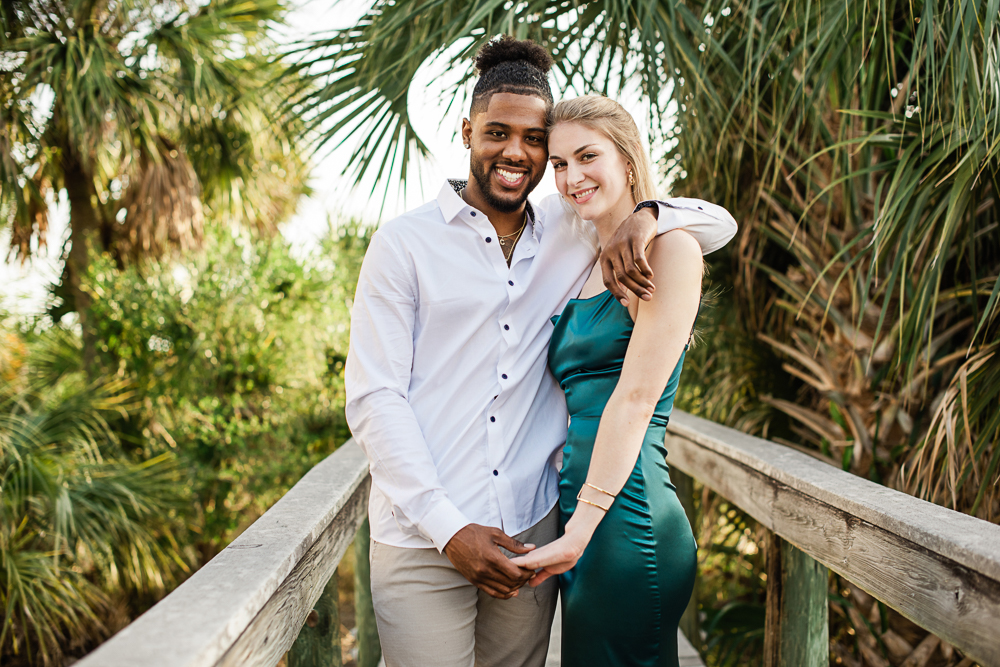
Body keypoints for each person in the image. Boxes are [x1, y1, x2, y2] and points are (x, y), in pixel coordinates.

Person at [345, 37, 736, 667]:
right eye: (498, 132)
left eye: (536, 142)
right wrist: (448, 527)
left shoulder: (570, 225)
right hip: (423, 535)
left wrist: (649, 214)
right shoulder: (403, 244)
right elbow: (374, 399)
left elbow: (711, 222)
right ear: (468, 131)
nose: (517, 153)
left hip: (534, 527)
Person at [508, 95, 707, 666]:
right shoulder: (585, 261)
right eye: (560, 165)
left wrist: (579, 532)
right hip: (582, 512)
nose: (572, 177)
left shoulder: (673, 249)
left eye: (587, 156)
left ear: (626, 157)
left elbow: (636, 399)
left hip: (628, 514)